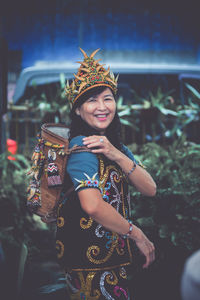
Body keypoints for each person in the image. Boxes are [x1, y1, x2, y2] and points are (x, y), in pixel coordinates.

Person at [55, 48, 156, 299]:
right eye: (91, 100)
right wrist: (137, 235)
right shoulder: (82, 148)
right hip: (88, 266)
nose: (102, 107)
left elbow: (150, 188)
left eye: (107, 98)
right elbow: (91, 205)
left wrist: (116, 154)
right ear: (78, 110)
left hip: (111, 260)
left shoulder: (113, 146)